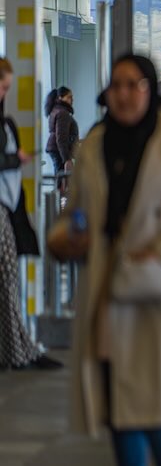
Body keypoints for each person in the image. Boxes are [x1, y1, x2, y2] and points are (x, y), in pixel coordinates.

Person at [48, 54, 161, 466]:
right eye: (117, 86)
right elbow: (74, 212)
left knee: (160, 412)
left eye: (135, 85)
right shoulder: (93, 145)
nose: (125, 94)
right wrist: (65, 239)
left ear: (149, 89)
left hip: (160, 292)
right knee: (119, 412)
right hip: (107, 294)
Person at [0, 58, 61, 371]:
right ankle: (18, 351)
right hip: (3, 209)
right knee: (7, 279)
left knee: (8, 280)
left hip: (8, 208)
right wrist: (13, 159)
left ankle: (18, 349)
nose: (4, 93)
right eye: (3, 86)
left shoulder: (6, 123)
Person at [44, 86, 79, 178]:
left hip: (56, 149)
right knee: (62, 180)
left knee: (60, 178)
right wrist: (66, 159)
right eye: (69, 97)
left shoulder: (56, 110)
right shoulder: (62, 113)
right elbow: (61, 138)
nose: (72, 100)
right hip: (59, 150)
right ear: (60, 98)